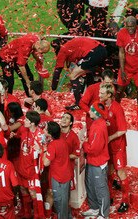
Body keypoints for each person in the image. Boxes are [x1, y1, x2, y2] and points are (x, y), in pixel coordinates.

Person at [51, 37, 107, 110]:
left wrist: (53, 89)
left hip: (93, 53)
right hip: (102, 50)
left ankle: (78, 103)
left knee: (73, 76)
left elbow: (57, 71)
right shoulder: (71, 44)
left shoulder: (62, 50)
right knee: (88, 72)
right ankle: (92, 99)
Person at [99, 83, 129, 213]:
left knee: (120, 172)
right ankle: (110, 196)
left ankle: (125, 201)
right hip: (108, 146)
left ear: (109, 95)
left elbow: (123, 130)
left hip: (118, 147)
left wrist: (110, 138)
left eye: (101, 93)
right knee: (109, 172)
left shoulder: (117, 108)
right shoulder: (102, 106)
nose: (99, 95)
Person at [80, 101, 110, 218]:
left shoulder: (99, 127)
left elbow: (94, 149)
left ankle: (103, 214)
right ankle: (94, 208)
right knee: (90, 185)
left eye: (91, 109)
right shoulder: (96, 123)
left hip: (98, 163)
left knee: (100, 189)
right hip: (93, 161)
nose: (89, 110)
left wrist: (84, 144)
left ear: (96, 113)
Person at [13, 111, 45, 218]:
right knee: (23, 190)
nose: (24, 121)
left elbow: (45, 151)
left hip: (32, 170)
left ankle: (36, 215)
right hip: (22, 167)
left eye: (26, 120)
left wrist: (40, 149)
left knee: (33, 193)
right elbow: (16, 137)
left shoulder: (40, 135)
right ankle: (27, 214)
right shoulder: (22, 129)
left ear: (32, 123)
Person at [43, 121, 72, 219]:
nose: (44, 130)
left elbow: (46, 162)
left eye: (46, 129)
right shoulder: (63, 141)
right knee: (65, 201)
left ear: (50, 133)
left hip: (58, 177)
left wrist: (43, 150)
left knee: (59, 202)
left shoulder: (52, 145)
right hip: (66, 174)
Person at [116, 16, 138, 105]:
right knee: (119, 90)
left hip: (137, 68)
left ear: (136, 25)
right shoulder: (121, 33)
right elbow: (121, 53)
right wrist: (122, 70)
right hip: (126, 67)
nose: (130, 29)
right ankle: (115, 108)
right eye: (128, 27)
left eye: (132, 26)